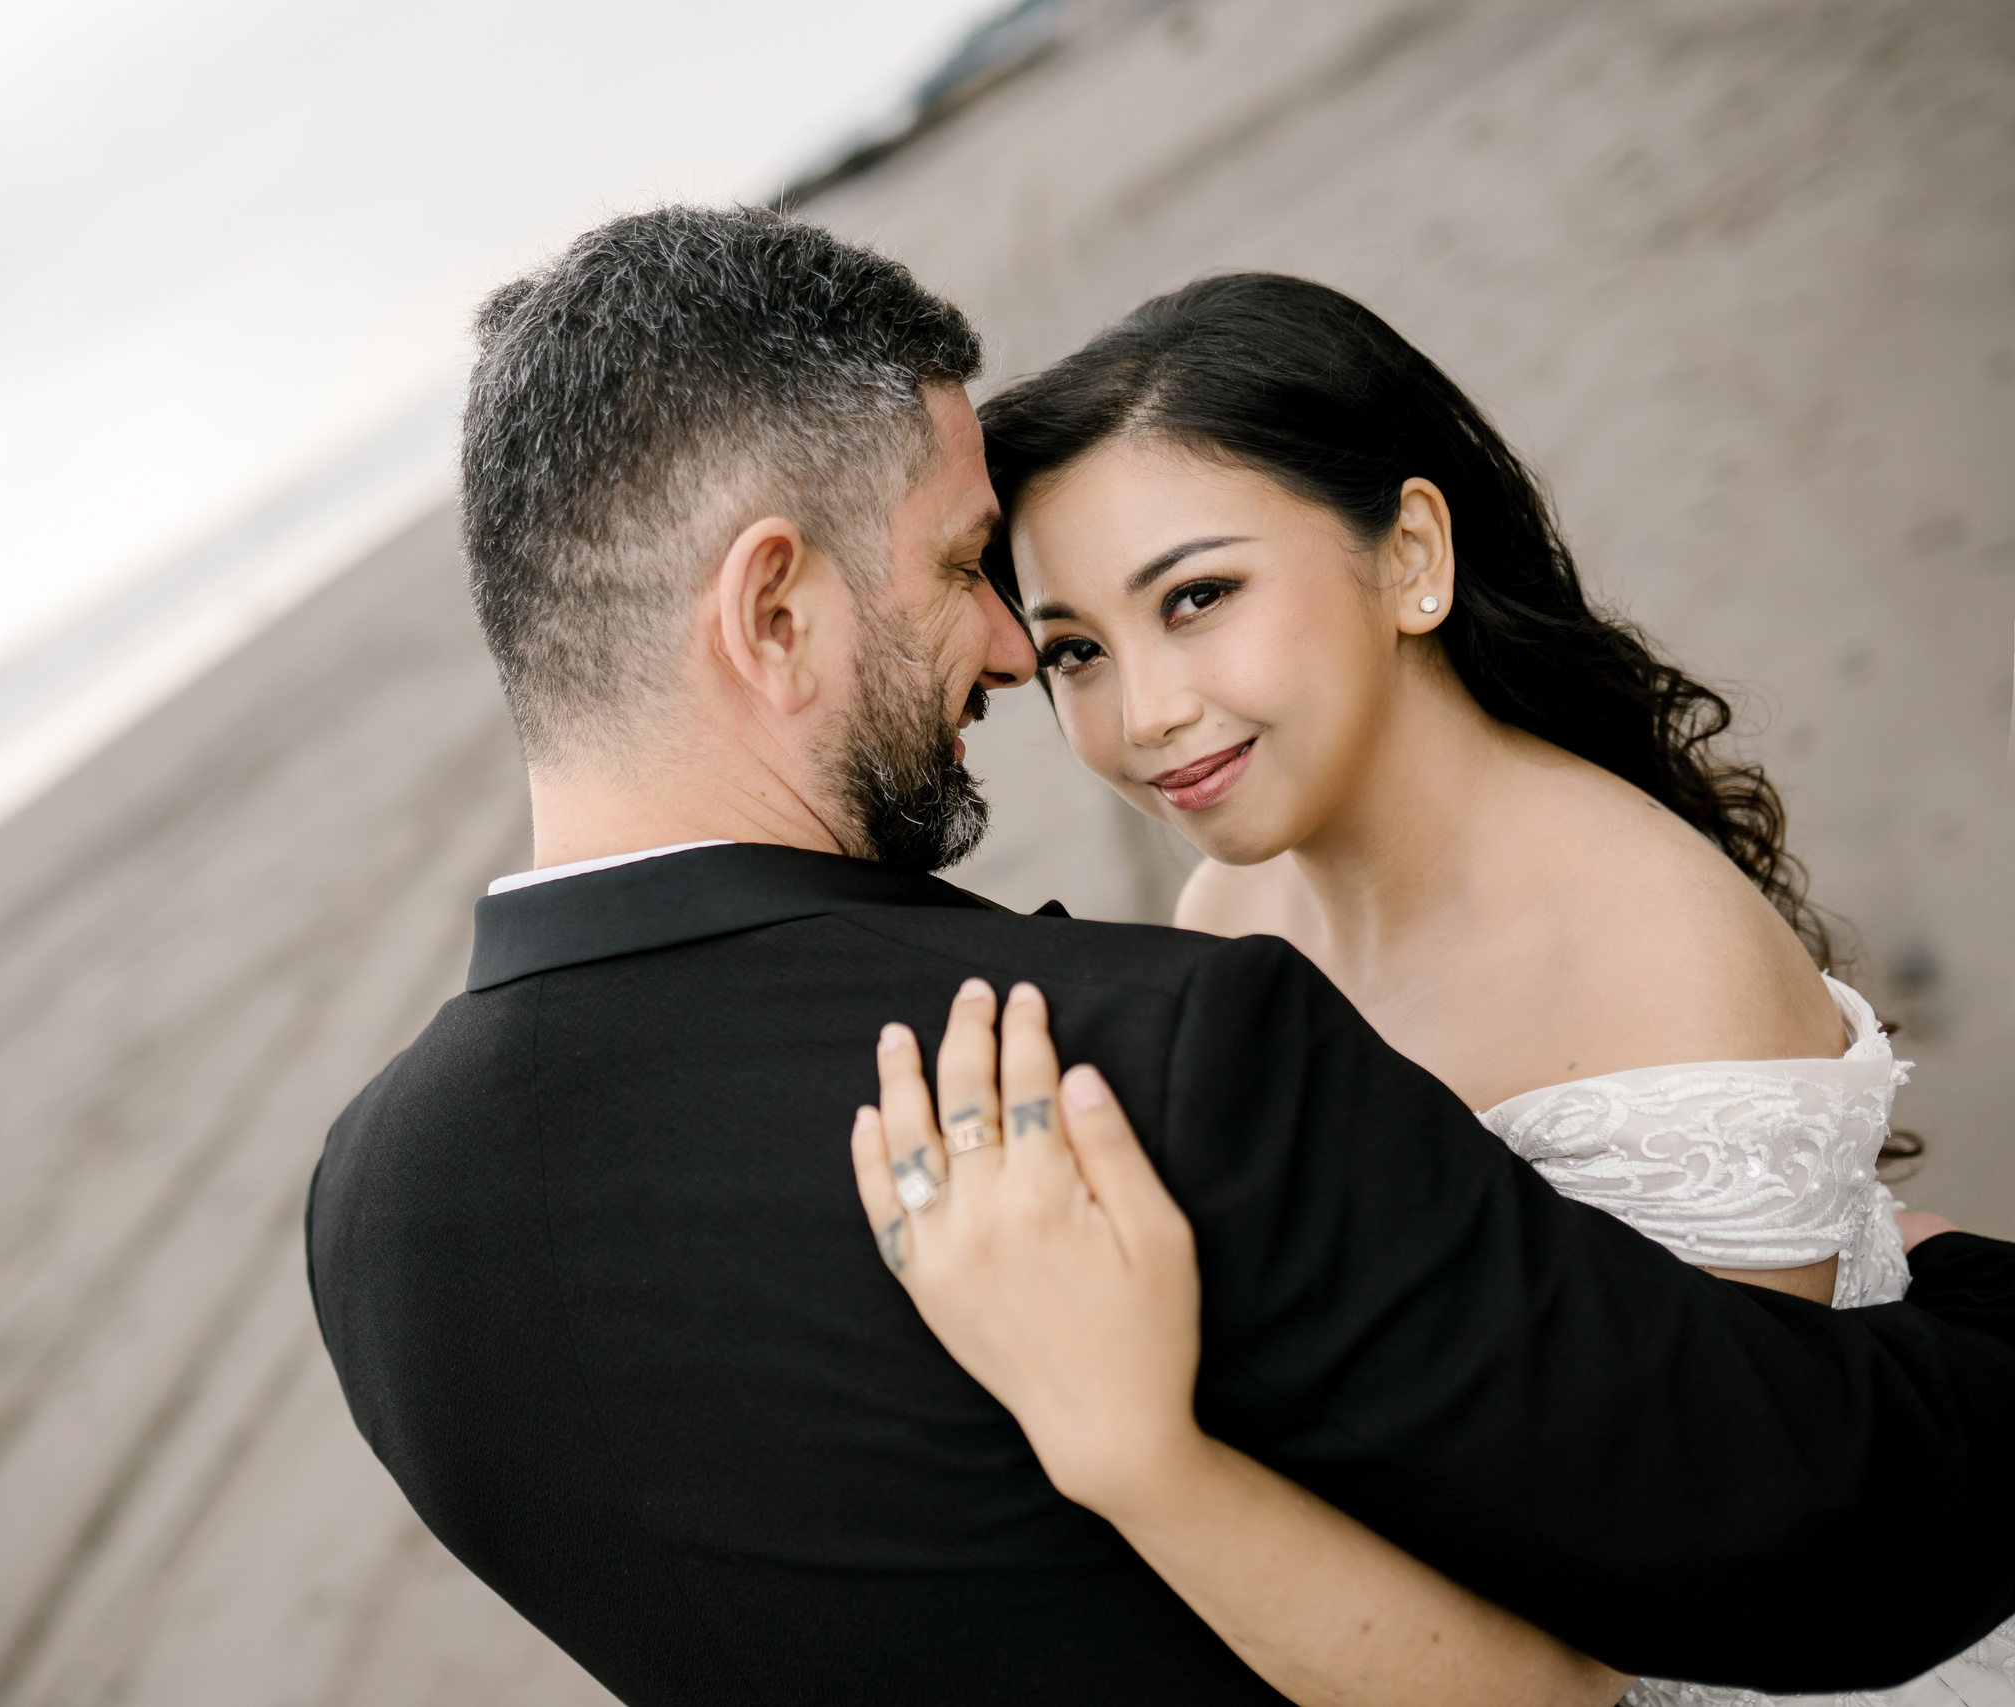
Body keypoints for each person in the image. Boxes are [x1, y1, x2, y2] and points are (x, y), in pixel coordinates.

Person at [305, 207, 2015, 1707]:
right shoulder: (1135, 1061)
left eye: (1188, 598)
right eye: (989, 584)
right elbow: (1793, 1544)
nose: (1007, 659)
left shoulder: (372, 1228)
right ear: (772, 611)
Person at [848, 273, 2015, 1705]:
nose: (1143, 712)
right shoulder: (1229, 906)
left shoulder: (1647, 949)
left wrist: (1144, 1452)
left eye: (1200, 597)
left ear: (1410, 555)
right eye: (1079, 649)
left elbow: (1683, 1588)